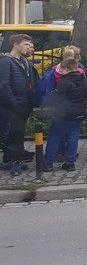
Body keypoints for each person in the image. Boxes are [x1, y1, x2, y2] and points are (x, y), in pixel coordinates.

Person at [42, 58, 87, 172]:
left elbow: (57, 98)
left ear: (66, 69)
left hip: (63, 113)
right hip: (78, 112)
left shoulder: (64, 82)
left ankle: (49, 162)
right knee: (73, 137)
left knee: (55, 136)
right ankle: (70, 163)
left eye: (61, 69)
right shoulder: (84, 81)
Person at [0, 34, 39, 174]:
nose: (29, 47)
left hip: (25, 104)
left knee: (16, 134)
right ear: (15, 44)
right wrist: (13, 103)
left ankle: (7, 161)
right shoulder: (6, 61)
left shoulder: (26, 62)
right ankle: (16, 163)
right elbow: (3, 85)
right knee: (16, 134)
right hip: (14, 106)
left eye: (30, 45)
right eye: (26, 44)